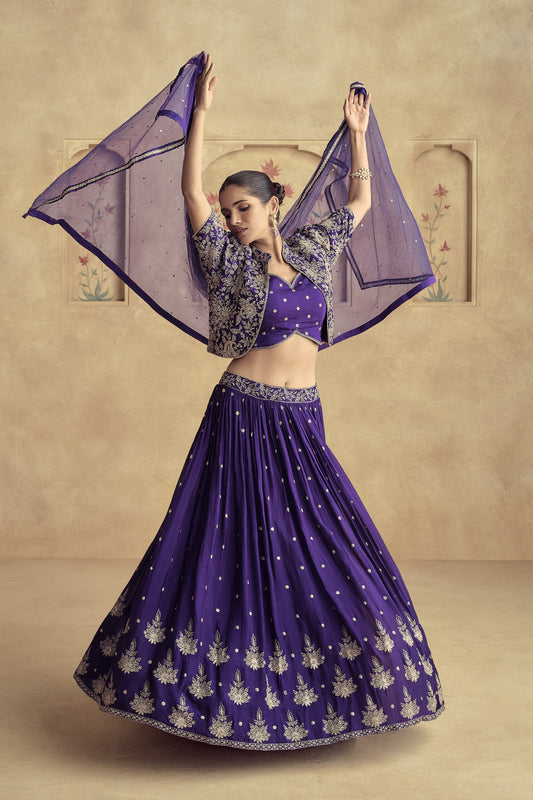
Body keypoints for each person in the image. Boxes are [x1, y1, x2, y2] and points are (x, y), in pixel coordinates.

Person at [72, 54, 444, 750]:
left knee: (321, 540)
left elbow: (360, 203)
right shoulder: (228, 262)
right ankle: (208, 691)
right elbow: (190, 195)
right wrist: (200, 116)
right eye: (228, 212)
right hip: (243, 415)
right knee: (230, 543)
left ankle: (333, 683)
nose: (233, 219)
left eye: (243, 208)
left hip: (302, 419)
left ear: (275, 203)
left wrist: (357, 135)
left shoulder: (313, 249)